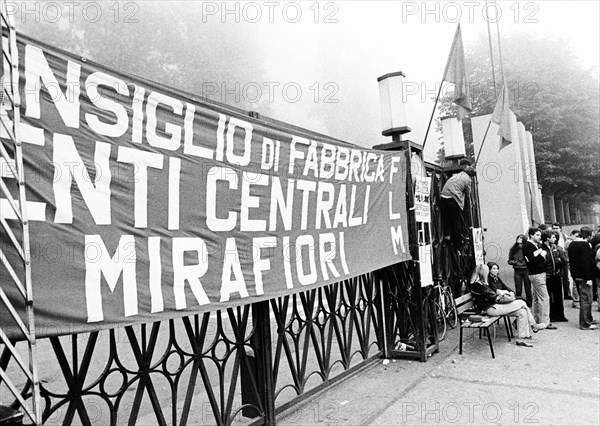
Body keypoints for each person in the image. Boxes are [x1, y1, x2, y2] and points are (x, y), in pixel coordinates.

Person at [470, 264, 540, 347]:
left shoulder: (480, 283)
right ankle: (534, 325)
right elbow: (494, 297)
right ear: (483, 273)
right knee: (522, 303)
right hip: (490, 308)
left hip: (493, 306)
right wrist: (502, 294)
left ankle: (522, 338)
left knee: (522, 312)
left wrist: (502, 293)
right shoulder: (479, 285)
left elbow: (493, 295)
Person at [523, 227, 556, 329]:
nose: (539, 237)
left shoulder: (533, 245)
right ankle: (544, 322)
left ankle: (536, 319)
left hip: (538, 273)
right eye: (537, 235)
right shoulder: (528, 246)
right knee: (544, 298)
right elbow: (531, 260)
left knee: (537, 298)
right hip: (536, 274)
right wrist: (542, 255)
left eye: (540, 235)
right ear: (531, 235)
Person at [440, 158, 476, 246]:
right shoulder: (468, 180)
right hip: (453, 199)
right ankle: (458, 244)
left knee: (446, 219)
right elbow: (468, 196)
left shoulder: (457, 176)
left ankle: (447, 237)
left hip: (443, 197)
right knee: (456, 222)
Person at [567, 227, 598, 330]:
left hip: (576, 275)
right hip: (584, 276)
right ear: (588, 236)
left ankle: (588, 318)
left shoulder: (572, 244)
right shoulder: (584, 245)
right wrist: (588, 277)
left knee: (583, 297)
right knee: (586, 299)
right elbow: (586, 263)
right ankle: (585, 323)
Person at [541, 230, 568, 322]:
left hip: (556, 274)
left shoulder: (555, 247)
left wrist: (560, 265)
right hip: (547, 275)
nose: (555, 239)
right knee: (549, 295)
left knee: (558, 295)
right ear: (547, 238)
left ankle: (560, 315)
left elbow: (562, 260)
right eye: (553, 237)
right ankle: (552, 315)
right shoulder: (541, 249)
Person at [508, 234, 532, 307]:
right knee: (518, 288)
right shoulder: (513, 249)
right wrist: (513, 262)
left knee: (528, 288)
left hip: (526, 270)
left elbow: (530, 258)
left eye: (521, 238)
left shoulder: (527, 248)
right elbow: (509, 260)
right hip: (517, 270)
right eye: (518, 238)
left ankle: (529, 303)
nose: (519, 239)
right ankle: (518, 303)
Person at [552, 222, 571, 299]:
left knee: (566, 278)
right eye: (553, 228)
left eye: (557, 228)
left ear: (560, 229)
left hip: (564, 259)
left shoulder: (565, 237)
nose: (555, 230)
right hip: (555, 259)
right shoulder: (551, 237)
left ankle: (567, 293)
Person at [566, 229, 580, 308]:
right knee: (574, 283)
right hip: (571, 264)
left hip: (573, 264)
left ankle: (576, 300)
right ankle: (576, 301)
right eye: (576, 236)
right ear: (571, 235)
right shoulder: (569, 243)